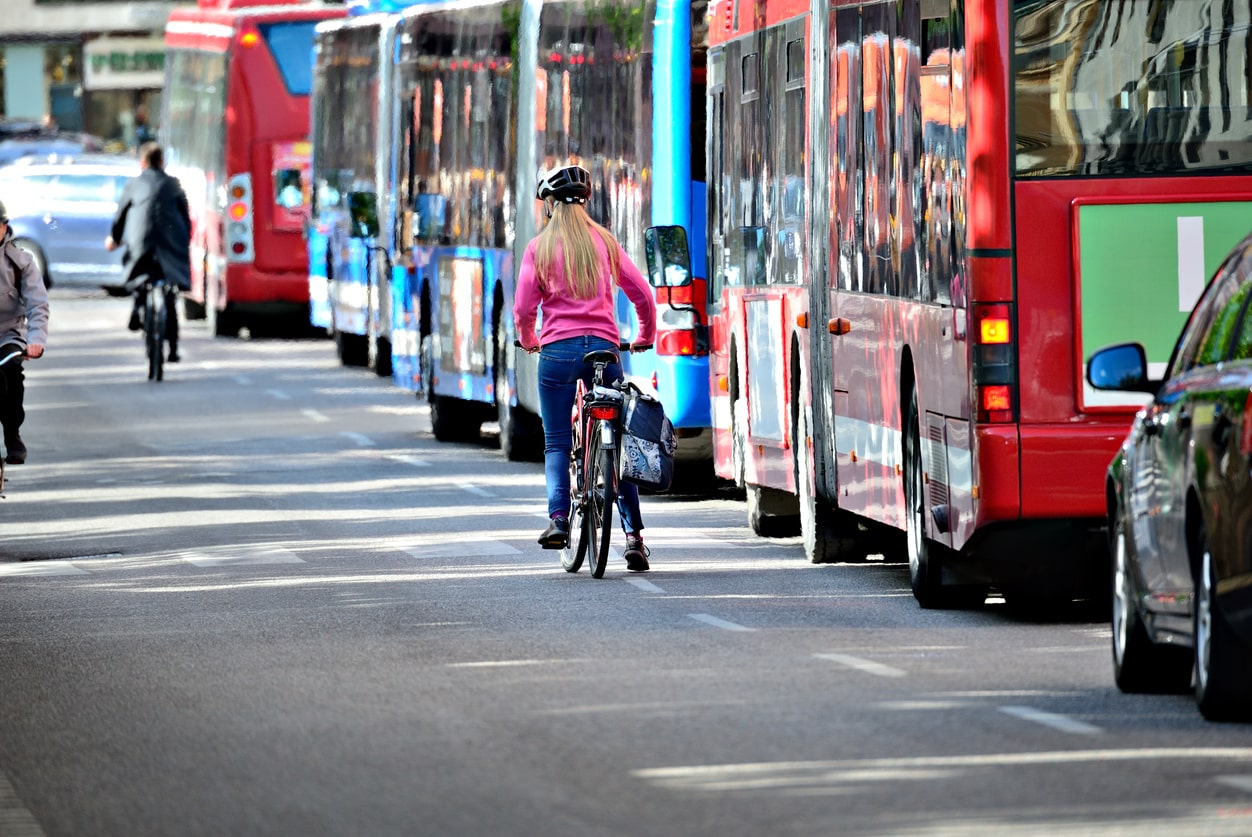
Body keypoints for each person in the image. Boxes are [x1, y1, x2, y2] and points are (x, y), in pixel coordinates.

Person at [513, 164, 657, 572]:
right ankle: (633, 538)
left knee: (557, 442)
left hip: (557, 354)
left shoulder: (538, 249)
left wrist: (529, 340)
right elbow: (641, 294)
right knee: (620, 442)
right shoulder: (605, 242)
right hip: (606, 353)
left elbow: (524, 309)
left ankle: (559, 519)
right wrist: (644, 334)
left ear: (550, 206)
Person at [106, 143, 191, 363]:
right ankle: (172, 349)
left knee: (137, 269)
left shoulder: (133, 185)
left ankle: (137, 307)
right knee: (170, 290)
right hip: (170, 244)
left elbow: (120, 217)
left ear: (142, 162)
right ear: (162, 161)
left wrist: (115, 239)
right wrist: (184, 242)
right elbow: (185, 219)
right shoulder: (174, 184)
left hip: (140, 242)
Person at [0, 199, 49, 465]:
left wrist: (36, 340)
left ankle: (11, 433)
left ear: (4, 227)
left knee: (11, 373)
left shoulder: (20, 262)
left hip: (7, 334)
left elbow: (37, 303)